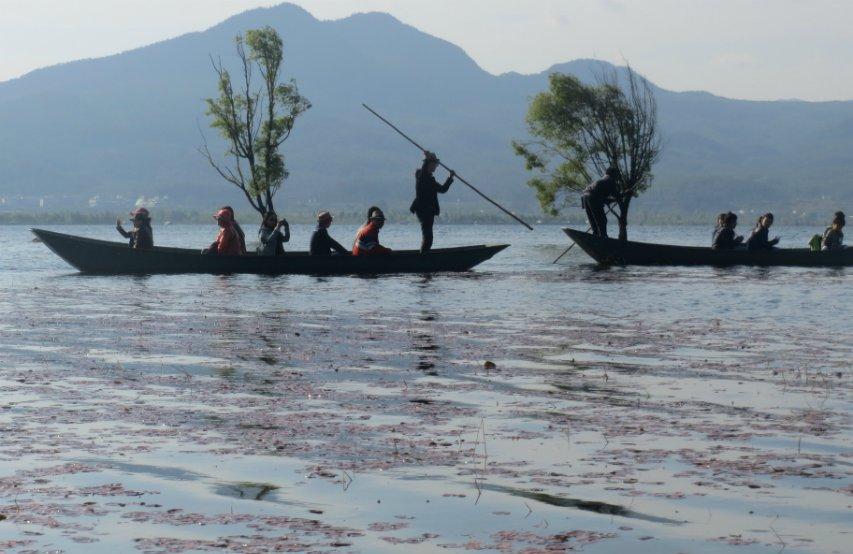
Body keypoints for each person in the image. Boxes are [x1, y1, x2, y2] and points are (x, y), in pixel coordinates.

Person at [410, 151, 454, 253]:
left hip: (429, 211)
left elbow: (443, 189)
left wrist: (450, 177)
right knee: (428, 237)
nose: (436, 166)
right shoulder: (421, 176)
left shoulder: (430, 179)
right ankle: (423, 258)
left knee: (429, 237)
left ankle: (424, 255)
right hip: (423, 210)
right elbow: (424, 170)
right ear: (430, 164)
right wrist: (427, 158)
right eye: (435, 164)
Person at [582, 167, 621, 238]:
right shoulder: (610, 180)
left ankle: (596, 235)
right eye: (617, 175)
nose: (617, 177)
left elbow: (606, 200)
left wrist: (616, 199)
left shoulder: (604, 179)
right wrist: (626, 193)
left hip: (585, 196)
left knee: (594, 222)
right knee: (602, 221)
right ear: (613, 174)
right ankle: (603, 237)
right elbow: (617, 196)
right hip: (593, 197)